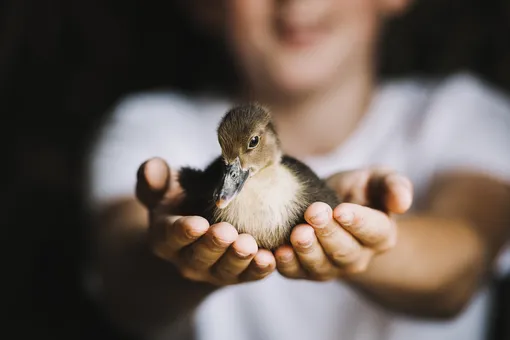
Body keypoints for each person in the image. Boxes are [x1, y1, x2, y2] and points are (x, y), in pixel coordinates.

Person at [83, 1, 510, 339]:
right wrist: (182, 261)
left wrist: (360, 244)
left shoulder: (466, 118)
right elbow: (125, 290)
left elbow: (461, 270)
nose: (296, 2)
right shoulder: (154, 126)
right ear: (204, 4)